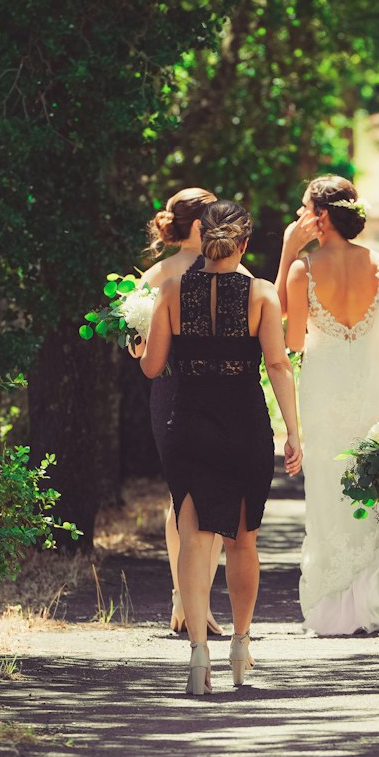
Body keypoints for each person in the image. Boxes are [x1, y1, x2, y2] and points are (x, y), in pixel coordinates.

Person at [141, 200, 303, 694]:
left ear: (202, 237)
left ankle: (196, 653)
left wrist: (143, 340)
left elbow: (151, 368)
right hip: (243, 424)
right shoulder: (261, 294)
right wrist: (294, 432)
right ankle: (240, 642)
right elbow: (277, 365)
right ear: (245, 243)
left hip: (187, 421)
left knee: (193, 536)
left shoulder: (170, 290)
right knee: (242, 540)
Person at [278, 175, 379, 635]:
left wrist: (286, 254)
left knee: (327, 493)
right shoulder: (378, 264)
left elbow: (293, 337)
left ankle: (332, 609)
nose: (299, 217)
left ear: (320, 216)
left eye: (304, 209)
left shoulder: (302, 269)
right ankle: (369, 605)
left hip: (324, 392)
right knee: (373, 485)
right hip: (372, 389)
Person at [130, 188, 231, 636]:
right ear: (196, 226)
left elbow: (134, 346)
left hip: (181, 387)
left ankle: (187, 599)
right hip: (192, 388)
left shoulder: (153, 276)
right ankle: (193, 601)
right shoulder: (226, 267)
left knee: (184, 496)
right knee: (203, 495)